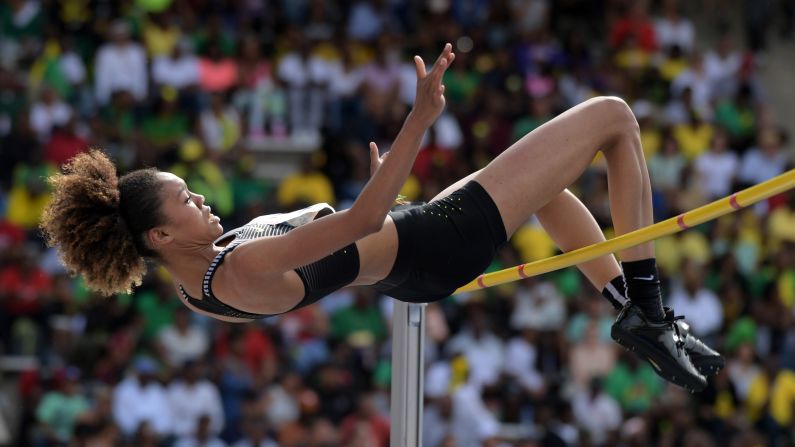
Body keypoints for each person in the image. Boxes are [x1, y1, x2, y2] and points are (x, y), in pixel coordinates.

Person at [41, 44, 721, 391]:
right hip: (432, 238)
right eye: (185, 199)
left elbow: (337, 241)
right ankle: (650, 312)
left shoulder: (197, 286)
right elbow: (362, 224)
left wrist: (365, 203)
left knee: (545, 190)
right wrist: (418, 120)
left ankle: (623, 303)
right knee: (612, 117)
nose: (202, 200)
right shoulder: (238, 264)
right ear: (158, 235)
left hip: (413, 256)